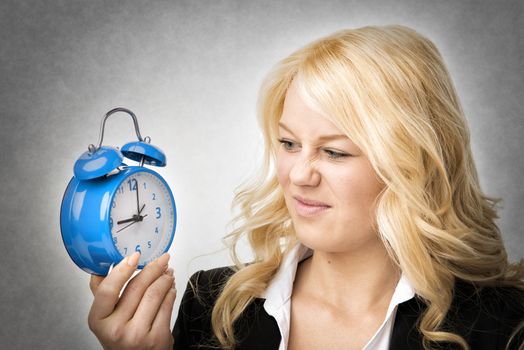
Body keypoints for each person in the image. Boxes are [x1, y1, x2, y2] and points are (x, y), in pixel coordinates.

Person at [87, 25, 524, 350]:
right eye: (289, 144)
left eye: (334, 152)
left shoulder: (504, 327)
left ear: (414, 166)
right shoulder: (213, 309)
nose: (299, 175)